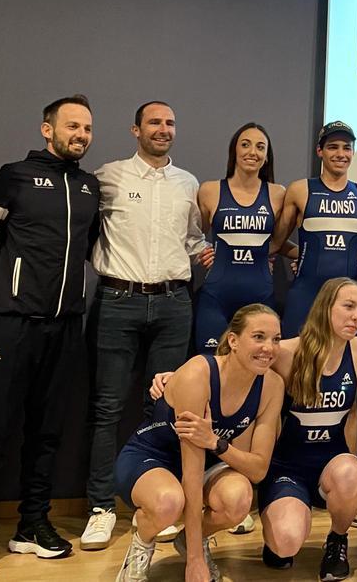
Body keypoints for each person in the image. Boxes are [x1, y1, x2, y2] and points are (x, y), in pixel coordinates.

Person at [0, 96, 100, 577]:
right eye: (72, 126)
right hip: (11, 324)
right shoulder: (12, 175)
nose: (80, 134)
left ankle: (31, 525)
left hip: (65, 326)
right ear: (47, 129)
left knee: (47, 433)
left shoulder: (88, 186)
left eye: (87, 128)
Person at [84, 101, 206, 550]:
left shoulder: (187, 183)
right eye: (154, 122)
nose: (163, 129)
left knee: (166, 408)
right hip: (118, 300)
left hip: (175, 302)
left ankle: (160, 502)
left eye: (170, 122)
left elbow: (192, 237)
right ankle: (100, 507)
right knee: (107, 408)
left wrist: (203, 251)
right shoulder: (108, 176)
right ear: (136, 128)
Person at [114, 304, 284, 582]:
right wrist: (194, 564)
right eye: (258, 337)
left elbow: (258, 469)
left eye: (275, 339)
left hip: (209, 459)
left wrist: (215, 442)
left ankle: (192, 540)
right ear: (233, 341)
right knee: (170, 502)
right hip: (154, 457)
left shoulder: (272, 386)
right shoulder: (198, 374)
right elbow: (191, 476)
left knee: (238, 499)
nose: (269, 347)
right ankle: (141, 544)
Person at [258, 277, 357, 581]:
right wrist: (174, 376)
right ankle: (280, 525)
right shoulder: (286, 353)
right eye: (348, 306)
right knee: (285, 543)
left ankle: (337, 541)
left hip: (332, 468)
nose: (356, 316)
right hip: (288, 467)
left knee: (352, 471)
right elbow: (231, 361)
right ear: (325, 307)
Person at [192, 123, 286, 352]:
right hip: (215, 299)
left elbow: (279, 243)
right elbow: (194, 236)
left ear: (266, 157)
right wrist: (204, 251)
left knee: (257, 369)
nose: (252, 152)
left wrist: (305, 256)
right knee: (210, 368)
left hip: (260, 298)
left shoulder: (277, 194)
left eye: (260, 147)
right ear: (234, 150)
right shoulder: (210, 190)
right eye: (245, 145)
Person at [276, 122, 357, 338]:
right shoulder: (300, 190)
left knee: (350, 365)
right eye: (333, 147)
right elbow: (276, 242)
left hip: (349, 299)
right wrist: (309, 255)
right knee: (293, 364)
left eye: (346, 148)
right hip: (306, 295)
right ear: (320, 151)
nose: (340, 154)